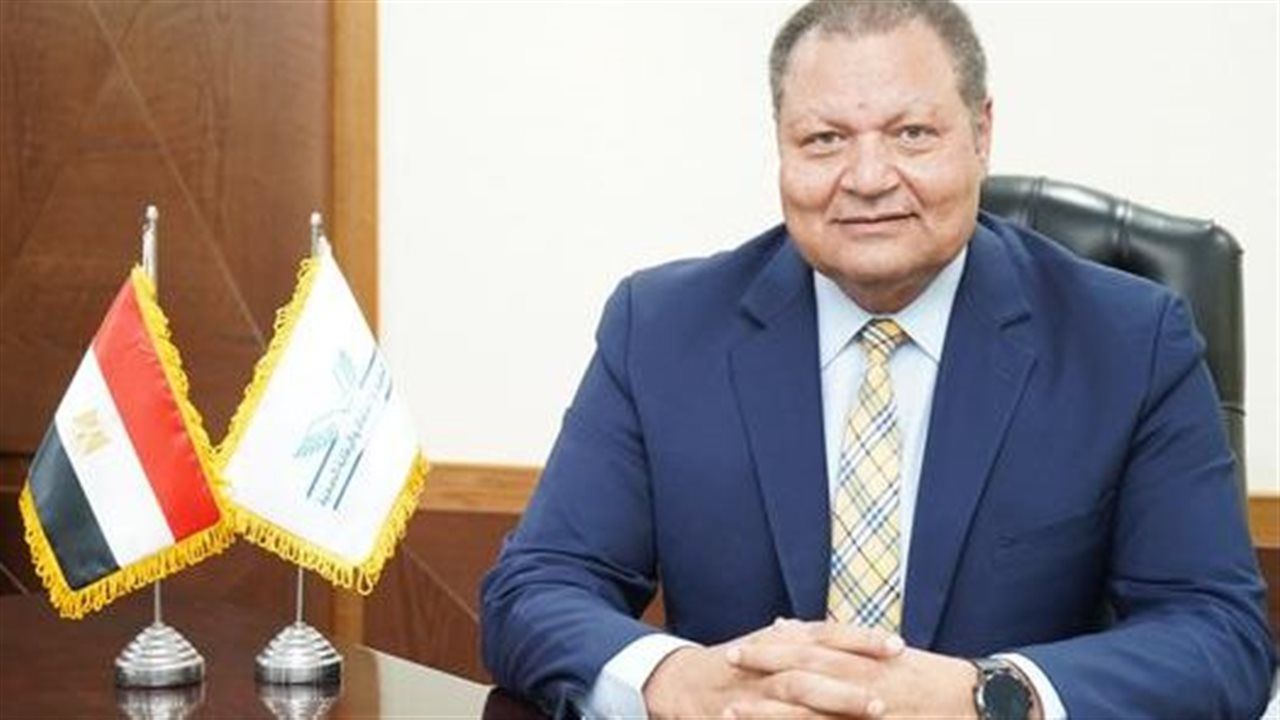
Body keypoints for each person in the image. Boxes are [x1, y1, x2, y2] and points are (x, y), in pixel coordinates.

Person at [480, 1, 1276, 717]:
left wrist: (987, 696)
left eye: (912, 134)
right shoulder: (662, 329)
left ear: (981, 134)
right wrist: (681, 682)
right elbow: (535, 589)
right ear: (781, 147)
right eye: (824, 140)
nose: (866, 179)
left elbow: (1219, 633)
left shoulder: (1128, 342)